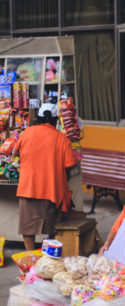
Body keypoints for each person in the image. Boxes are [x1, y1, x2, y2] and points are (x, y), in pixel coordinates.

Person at [13, 103, 77, 250]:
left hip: (28, 188)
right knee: (52, 229)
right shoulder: (62, 138)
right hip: (51, 191)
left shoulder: (27, 132)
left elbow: (15, 152)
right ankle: (50, 258)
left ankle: (30, 259)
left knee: (27, 228)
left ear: (39, 118)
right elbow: (70, 164)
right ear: (55, 120)